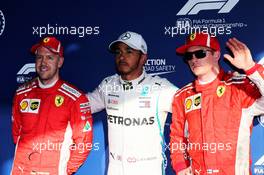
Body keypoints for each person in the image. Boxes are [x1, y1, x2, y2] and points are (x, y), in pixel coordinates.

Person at [170, 32, 264, 175]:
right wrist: (181, 167)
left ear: (216, 55)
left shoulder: (238, 87)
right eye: (189, 56)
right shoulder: (183, 95)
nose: (193, 59)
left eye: (200, 53)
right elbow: (177, 136)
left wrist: (251, 67)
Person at [87, 31, 178, 175]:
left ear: (143, 58)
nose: (122, 57)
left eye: (129, 51)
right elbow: (80, 105)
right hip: (115, 168)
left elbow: (191, 111)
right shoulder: (108, 85)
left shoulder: (161, 88)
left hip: (147, 168)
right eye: (118, 52)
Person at [11, 37, 93, 175]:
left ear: (60, 62)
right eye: (39, 57)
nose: (43, 63)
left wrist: (65, 170)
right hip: (21, 170)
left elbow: (84, 142)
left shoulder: (75, 98)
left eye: (50, 58)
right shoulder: (21, 93)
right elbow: (17, 134)